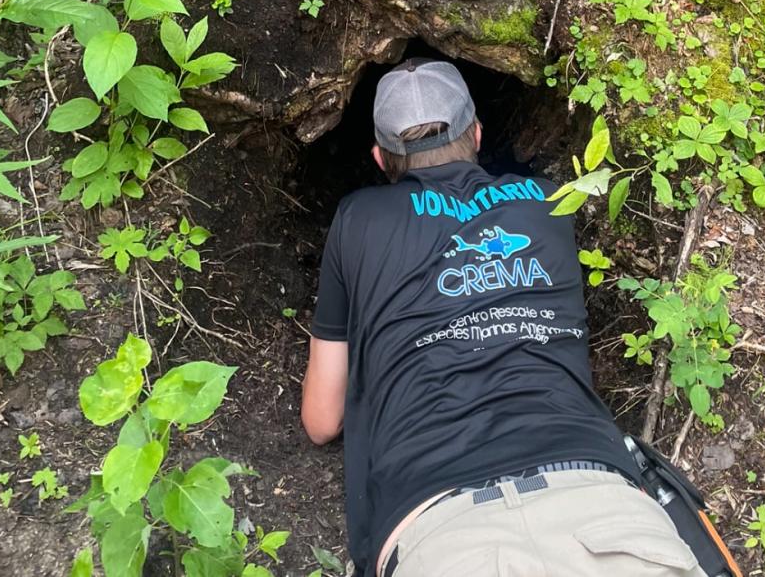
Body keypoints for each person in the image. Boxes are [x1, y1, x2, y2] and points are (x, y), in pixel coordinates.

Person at [301, 58, 712, 577]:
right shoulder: (547, 199)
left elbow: (322, 421)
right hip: (600, 496)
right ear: (477, 132)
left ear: (381, 159)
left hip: (439, 523)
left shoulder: (358, 218)